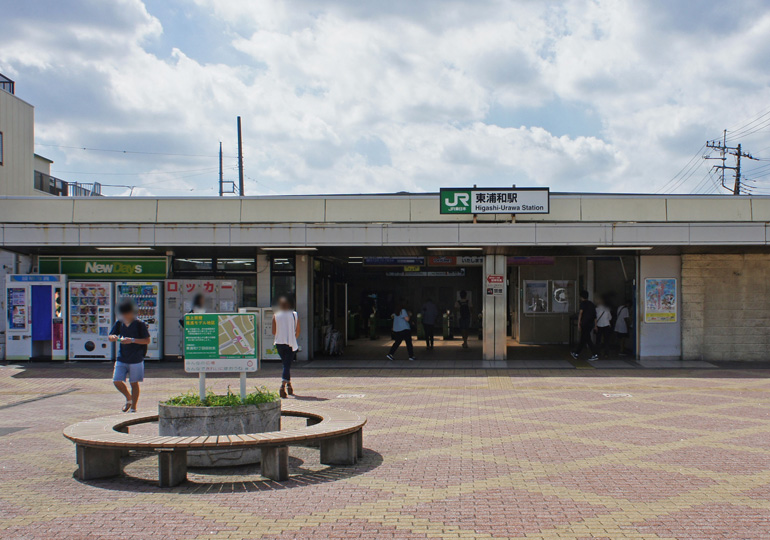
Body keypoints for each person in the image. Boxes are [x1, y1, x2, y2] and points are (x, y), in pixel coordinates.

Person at [109, 300, 151, 412]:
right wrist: (113, 337)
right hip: (122, 356)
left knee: (134, 382)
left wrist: (132, 340)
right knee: (116, 380)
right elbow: (111, 335)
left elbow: (147, 340)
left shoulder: (139, 324)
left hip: (136, 358)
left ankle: (133, 407)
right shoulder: (119, 323)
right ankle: (128, 398)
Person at [272, 296, 300, 398]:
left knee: (285, 364)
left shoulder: (276, 315)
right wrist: (292, 337)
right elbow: (298, 330)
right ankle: (283, 386)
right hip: (290, 343)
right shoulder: (294, 314)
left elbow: (274, 331)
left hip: (279, 343)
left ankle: (289, 385)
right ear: (289, 305)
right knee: (287, 365)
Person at [571, 290, 598, 360]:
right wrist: (595, 325)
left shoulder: (582, 304)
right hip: (590, 324)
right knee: (584, 338)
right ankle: (576, 353)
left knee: (587, 339)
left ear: (581, 297)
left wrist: (579, 323)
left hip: (584, 323)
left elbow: (580, 313)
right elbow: (595, 316)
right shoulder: (592, 304)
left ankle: (595, 354)